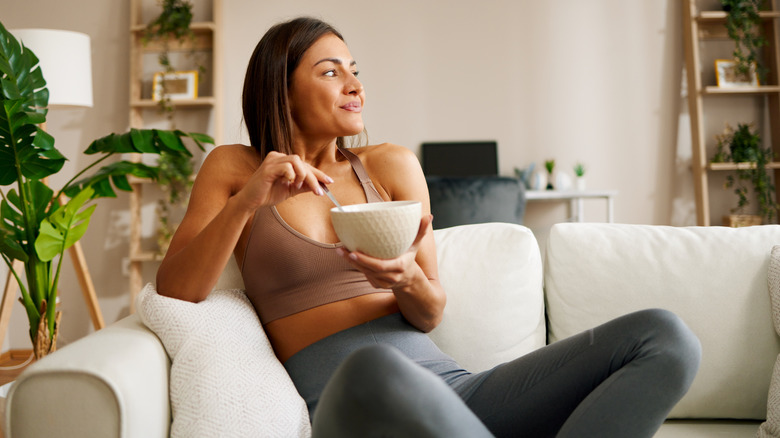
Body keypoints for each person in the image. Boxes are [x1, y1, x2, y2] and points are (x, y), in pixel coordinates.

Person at [156, 16, 702, 438]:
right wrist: (249, 201)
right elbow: (177, 289)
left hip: (454, 395)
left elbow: (431, 311)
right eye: (330, 71)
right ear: (281, 86)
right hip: (357, 401)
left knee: (664, 336)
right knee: (375, 367)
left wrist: (404, 279)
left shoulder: (391, 164)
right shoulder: (234, 168)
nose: (354, 85)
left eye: (355, 70)